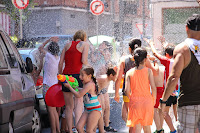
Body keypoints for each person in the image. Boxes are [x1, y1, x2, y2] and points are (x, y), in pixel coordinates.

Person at [160, 14, 200, 133]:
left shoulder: (182, 49)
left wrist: (164, 100)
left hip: (189, 103)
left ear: (186, 28)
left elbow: (173, 77)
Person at [114, 38, 159, 123]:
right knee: (133, 119)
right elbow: (156, 72)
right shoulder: (145, 60)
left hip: (128, 94)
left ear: (129, 48)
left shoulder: (123, 60)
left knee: (131, 119)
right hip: (143, 94)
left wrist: (116, 93)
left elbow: (118, 78)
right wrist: (155, 61)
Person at [58, 30, 89, 133]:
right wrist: (90, 68)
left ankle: (70, 130)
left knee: (68, 106)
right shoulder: (84, 44)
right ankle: (78, 128)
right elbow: (83, 61)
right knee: (79, 102)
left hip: (66, 76)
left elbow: (61, 62)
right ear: (84, 37)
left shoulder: (67, 45)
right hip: (77, 76)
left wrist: (60, 76)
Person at [145, 38, 178, 133]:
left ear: (167, 54)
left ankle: (172, 130)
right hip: (177, 91)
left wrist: (151, 44)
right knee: (174, 111)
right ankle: (172, 128)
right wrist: (164, 44)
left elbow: (156, 54)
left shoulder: (167, 61)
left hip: (169, 91)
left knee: (163, 112)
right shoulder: (178, 60)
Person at [61, 66, 102, 133]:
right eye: (80, 74)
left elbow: (79, 95)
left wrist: (69, 87)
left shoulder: (90, 84)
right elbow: (82, 91)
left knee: (89, 130)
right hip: (88, 109)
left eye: (82, 75)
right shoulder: (86, 83)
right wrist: (75, 87)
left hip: (95, 109)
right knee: (79, 127)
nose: (80, 77)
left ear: (89, 76)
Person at [125, 47, 157, 133]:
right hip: (147, 101)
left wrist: (131, 98)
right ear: (146, 59)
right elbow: (153, 87)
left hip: (135, 102)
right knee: (147, 127)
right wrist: (153, 99)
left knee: (137, 127)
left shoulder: (129, 73)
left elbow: (126, 91)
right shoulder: (148, 71)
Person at [38, 37, 60, 133]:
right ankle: (57, 130)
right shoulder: (58, 58)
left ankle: (53, 131)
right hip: (55, 87)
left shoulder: (48, 56)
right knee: (54, 110)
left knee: (50, 110)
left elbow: (40, 48)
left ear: (49, 49)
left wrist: (49, 40)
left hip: (48, 86)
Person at [97, 67, 117, 132]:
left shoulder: (108, 79)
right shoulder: (104, 79)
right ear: (111, 75)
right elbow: (95, 81)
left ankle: (107, 126)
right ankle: (100, 126)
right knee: (102, 108)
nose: (116, 78)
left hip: (103, 90)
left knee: (107, 107)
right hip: (98, 91)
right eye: (115, 76)